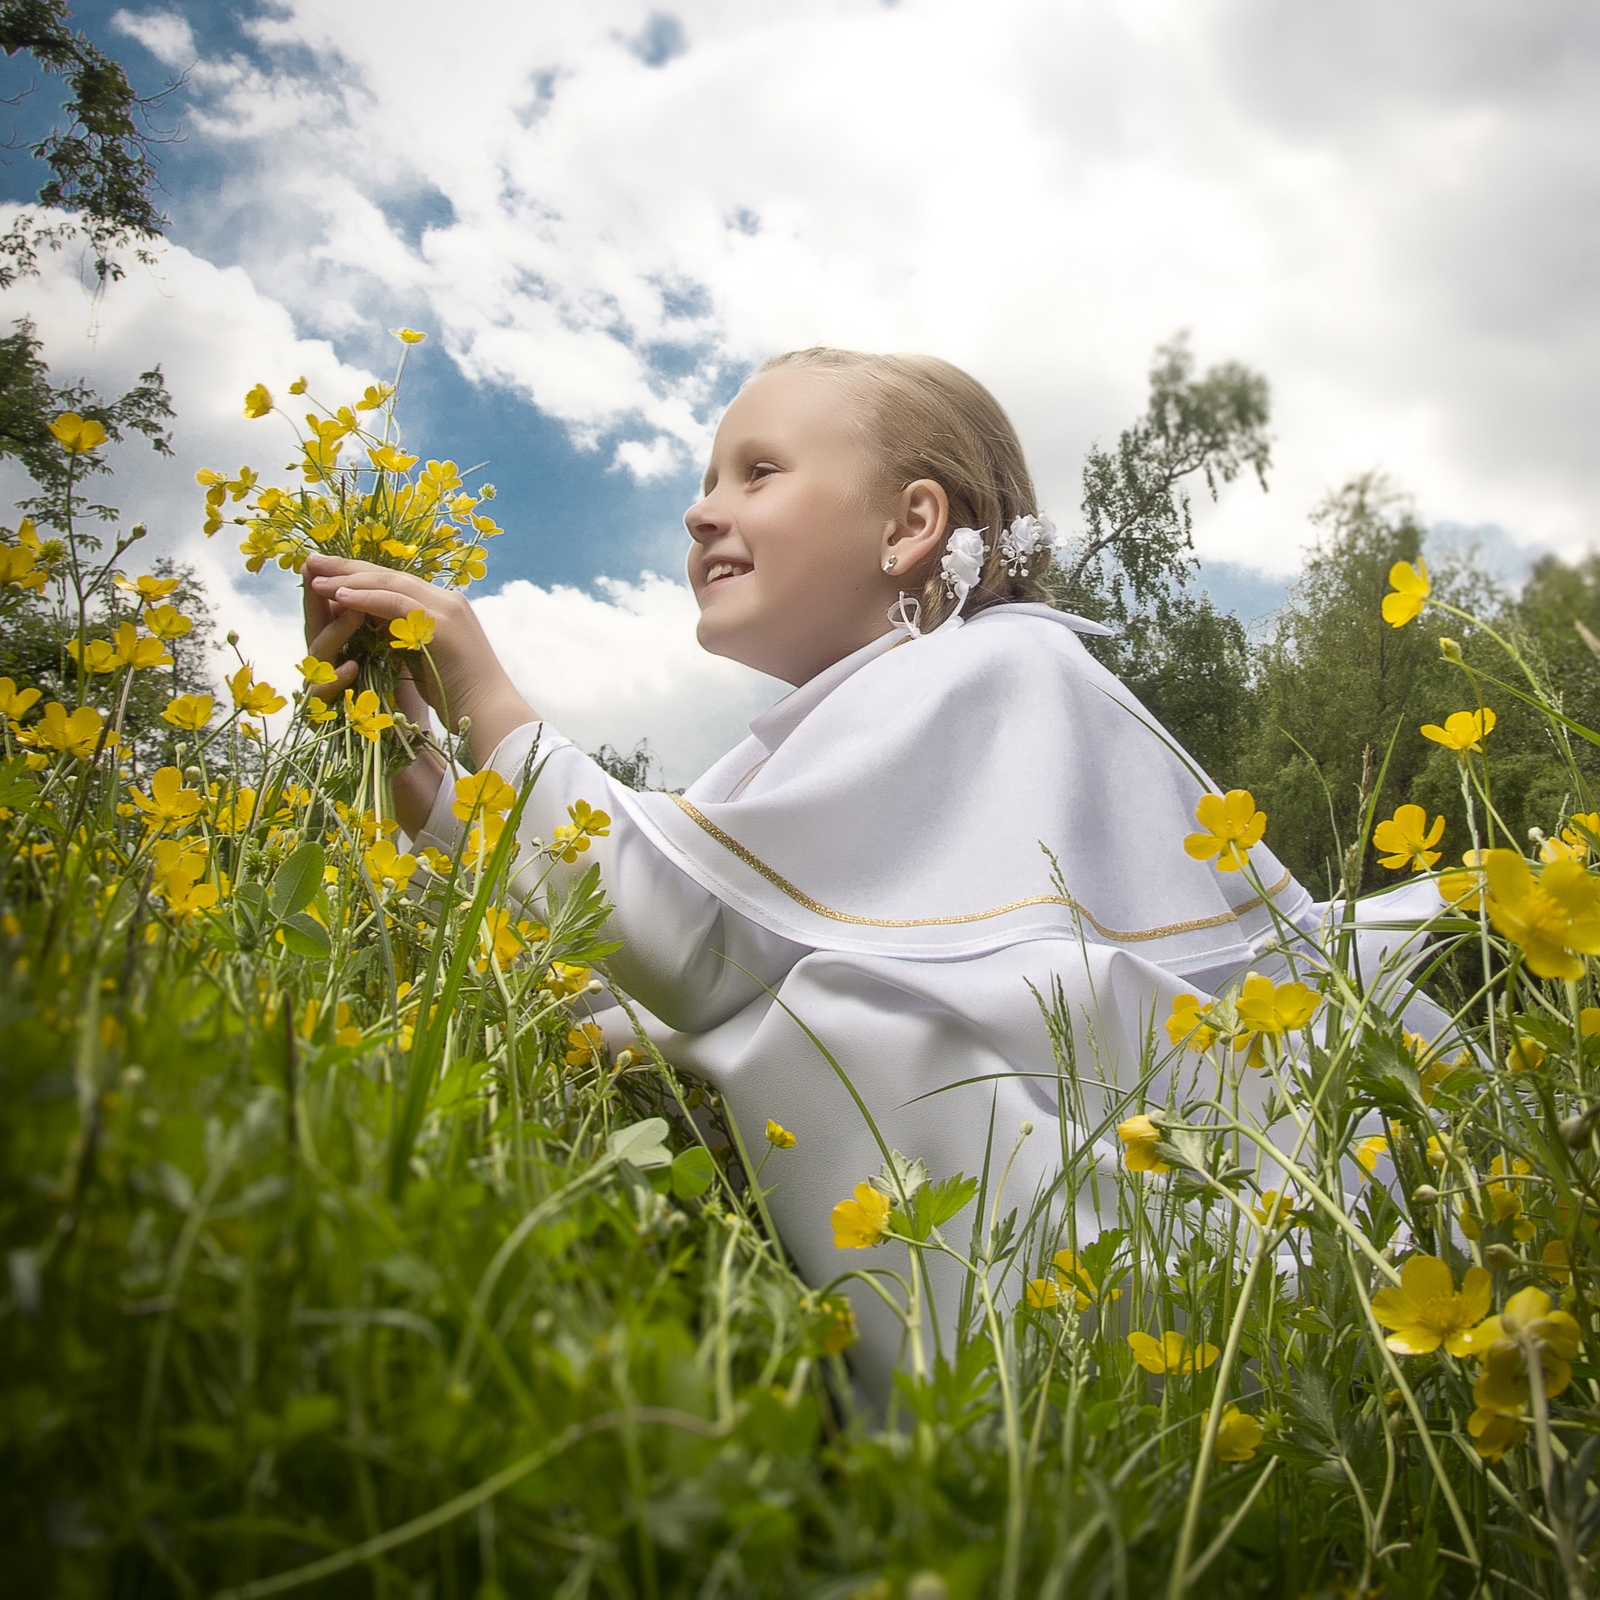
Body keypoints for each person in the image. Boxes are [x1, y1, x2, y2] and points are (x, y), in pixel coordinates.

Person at [302, 347, 1442, 1395]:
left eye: (756, 472)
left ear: (909, 526)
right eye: (707, 478)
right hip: (1044, 1212)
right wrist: (413, 766)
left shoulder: (994, 670)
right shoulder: (853, 713)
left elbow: (693, 947)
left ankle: (983, 1438)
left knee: (838, 1020)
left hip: (1117, 1248)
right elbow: (627, 941)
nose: (701, 510)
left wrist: (492, 708)